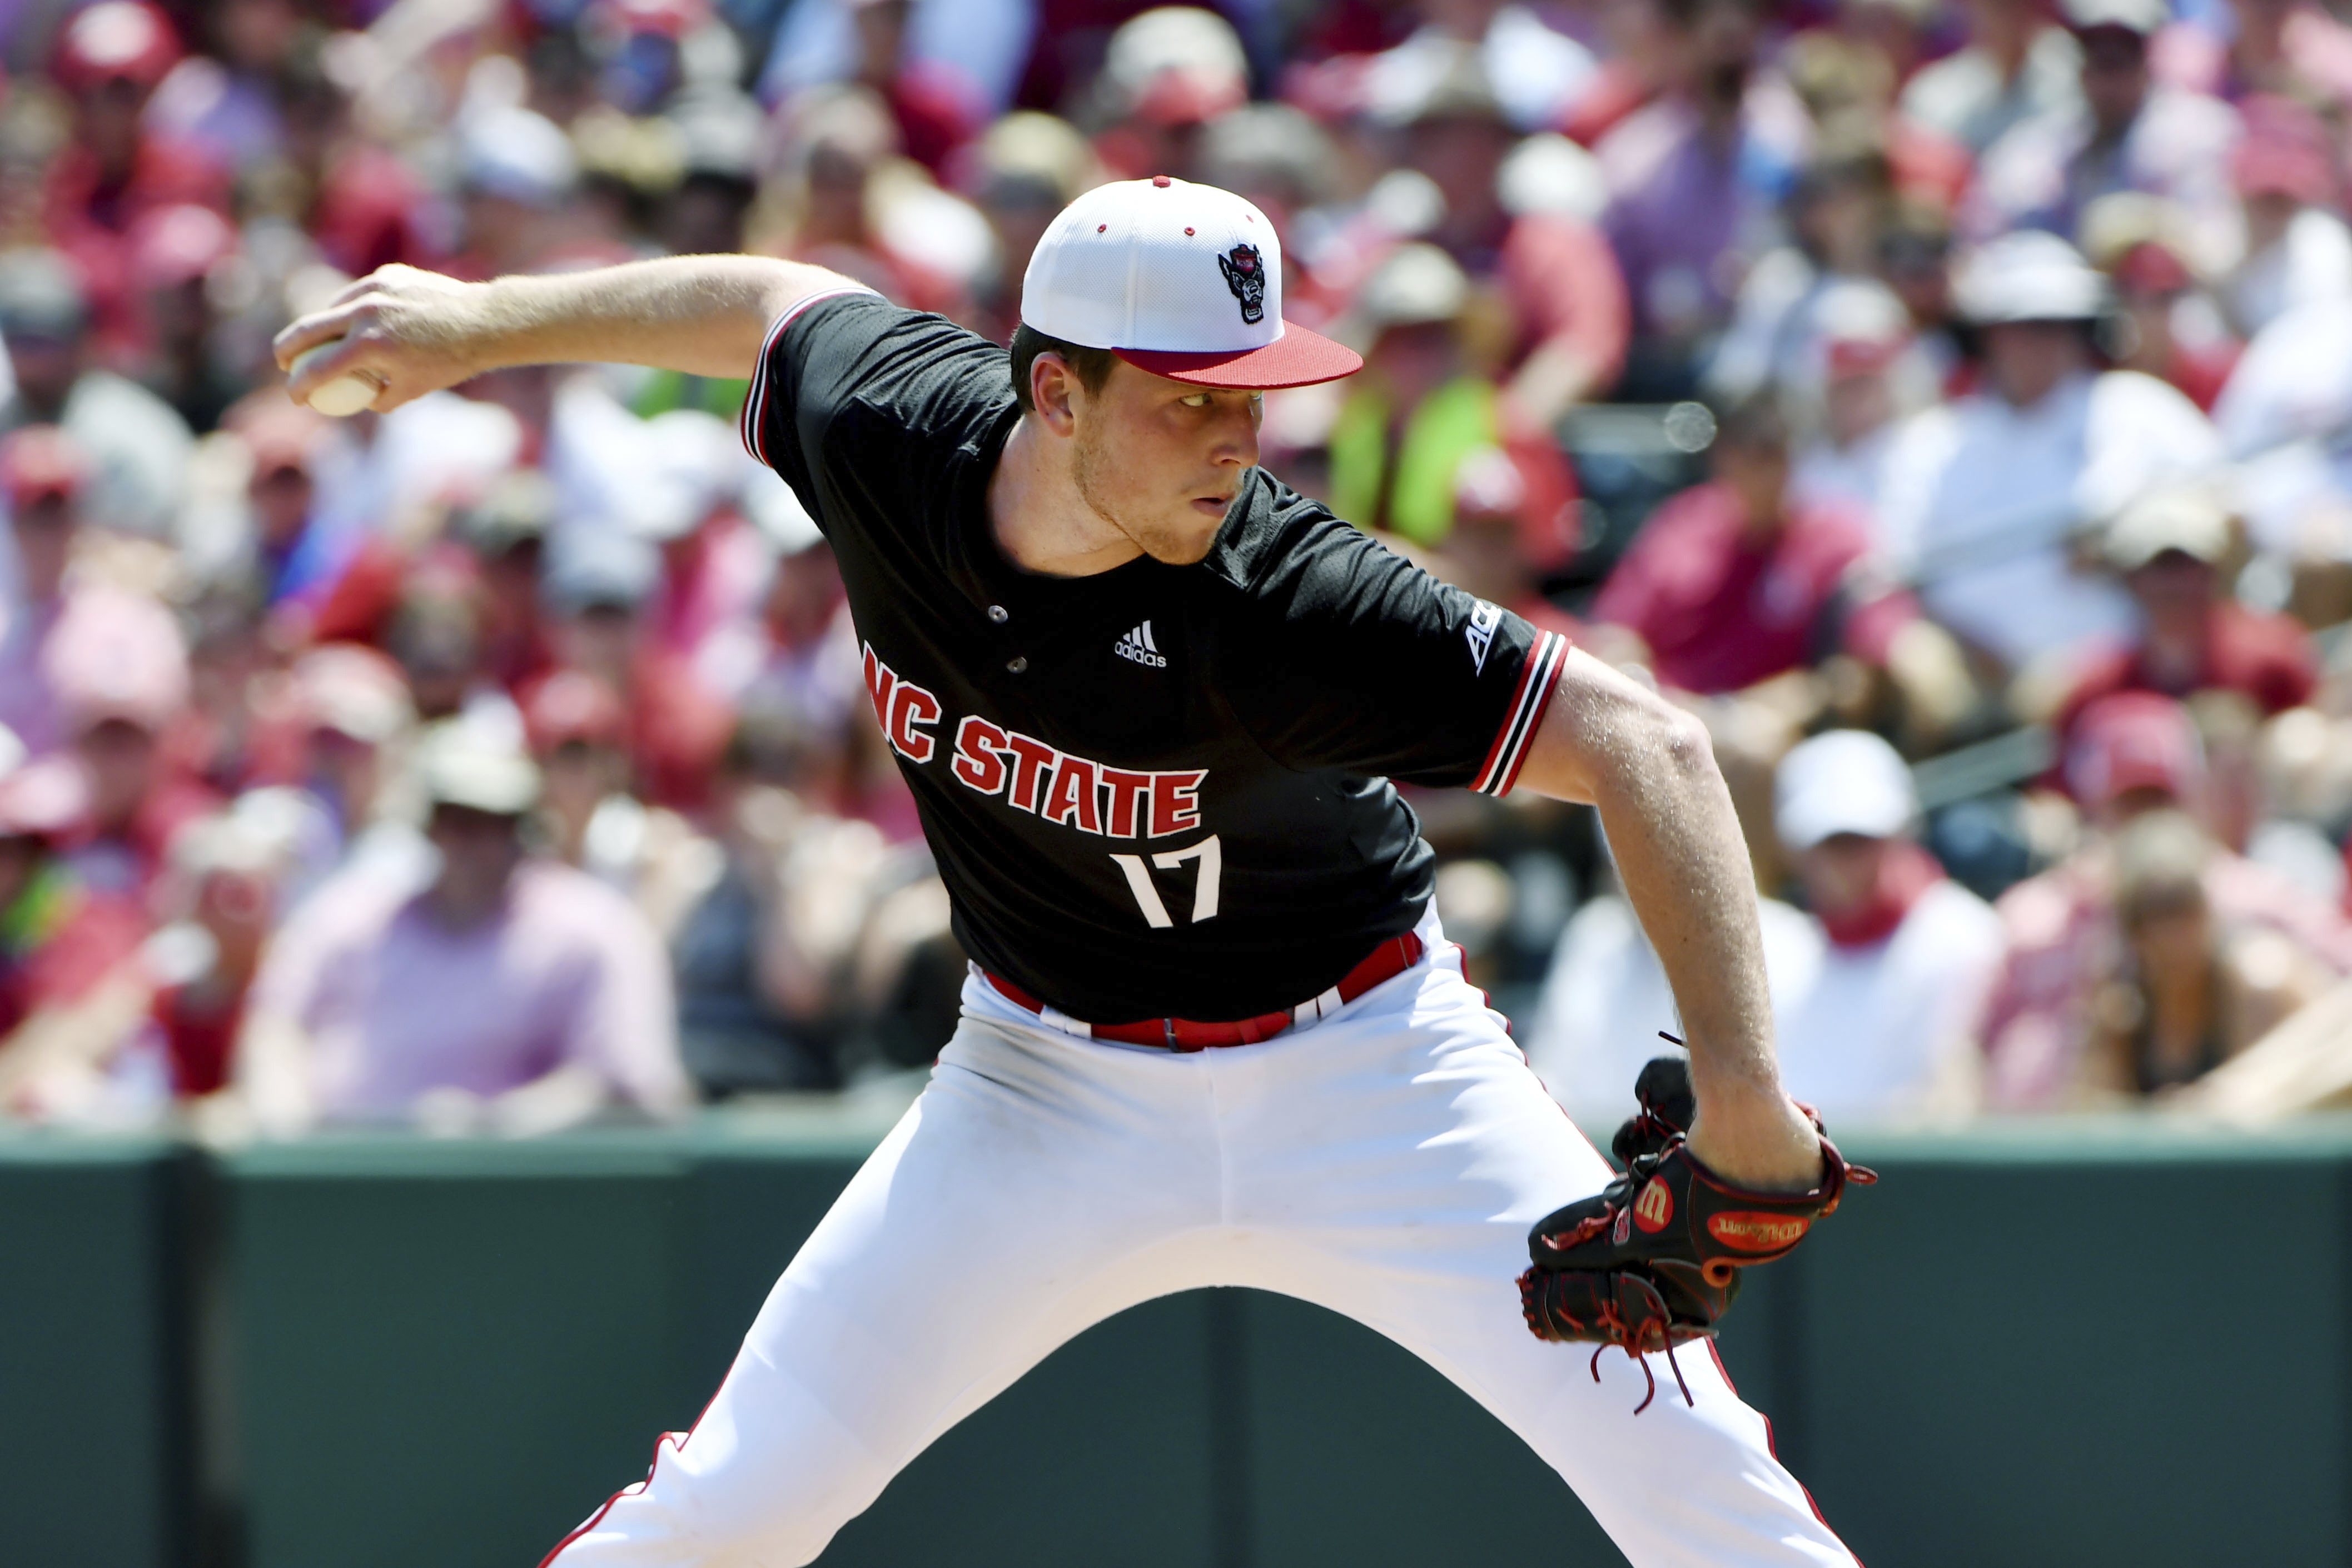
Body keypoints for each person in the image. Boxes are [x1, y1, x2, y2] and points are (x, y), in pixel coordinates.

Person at [281, 175, 1857, 1566]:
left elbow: (1646, 744)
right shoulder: (892, 432)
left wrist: (1738, 1092)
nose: (1235, 438)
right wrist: (481, 322)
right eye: (1187, 399)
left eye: (1254, 395)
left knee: (1705, 1498)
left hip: (1375, 1073)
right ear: (1052, 392)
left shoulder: (1287, 591)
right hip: (1041, 1087)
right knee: (733, 1507)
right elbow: (766, 302)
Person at [235, 726, 689, 1136]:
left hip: (520, 1202)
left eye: (492, 822)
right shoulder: (347, 918)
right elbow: (275, 1031)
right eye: (451, 819)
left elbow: (628, 1084)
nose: (467, 841)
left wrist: (487, 1129)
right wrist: (288, 1132)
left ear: (523, 828)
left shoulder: (594, 929)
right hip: (342, 1192)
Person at [1769, 730, 2005, 1121]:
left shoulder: (1968, 936)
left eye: (1864, 838)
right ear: (1795, 850)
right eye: (1831, 841)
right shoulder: (1781, 951)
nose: (1848, 860)